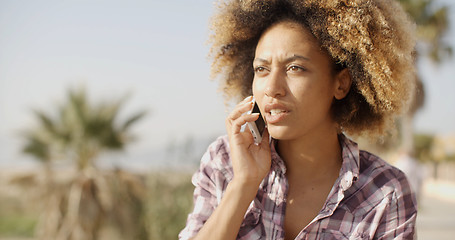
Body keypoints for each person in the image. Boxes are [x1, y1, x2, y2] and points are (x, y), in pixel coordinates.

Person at [180, 0, 417, 239]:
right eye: (261, 69)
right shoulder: (224, 161)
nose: (272, 88)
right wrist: (243, 184)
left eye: (295, 68)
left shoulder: (384, 192)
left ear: (341, 83)